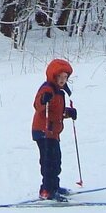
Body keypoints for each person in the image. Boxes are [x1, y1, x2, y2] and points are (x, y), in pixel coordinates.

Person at [31, 58, 77, 201]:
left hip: (53, 133)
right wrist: (43, 100)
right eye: (60, 77)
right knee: (48, 161)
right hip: (43, 132)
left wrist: (69, 112)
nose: (63, 80)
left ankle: (54, 187)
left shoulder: (59, 92)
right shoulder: (47, 89)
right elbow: (38, 105)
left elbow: (58, 112)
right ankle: (46, 190)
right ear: (53, 76)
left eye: (65, 77)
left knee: (56, 161)